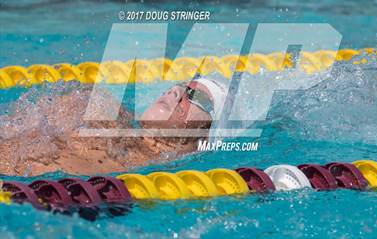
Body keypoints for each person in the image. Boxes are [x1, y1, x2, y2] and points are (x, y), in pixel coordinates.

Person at [0, 78, 227, 176]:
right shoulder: (111, 116)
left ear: (208, 130)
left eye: (194, 95)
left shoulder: (159, 174)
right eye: (179, 85)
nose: (174, 91)